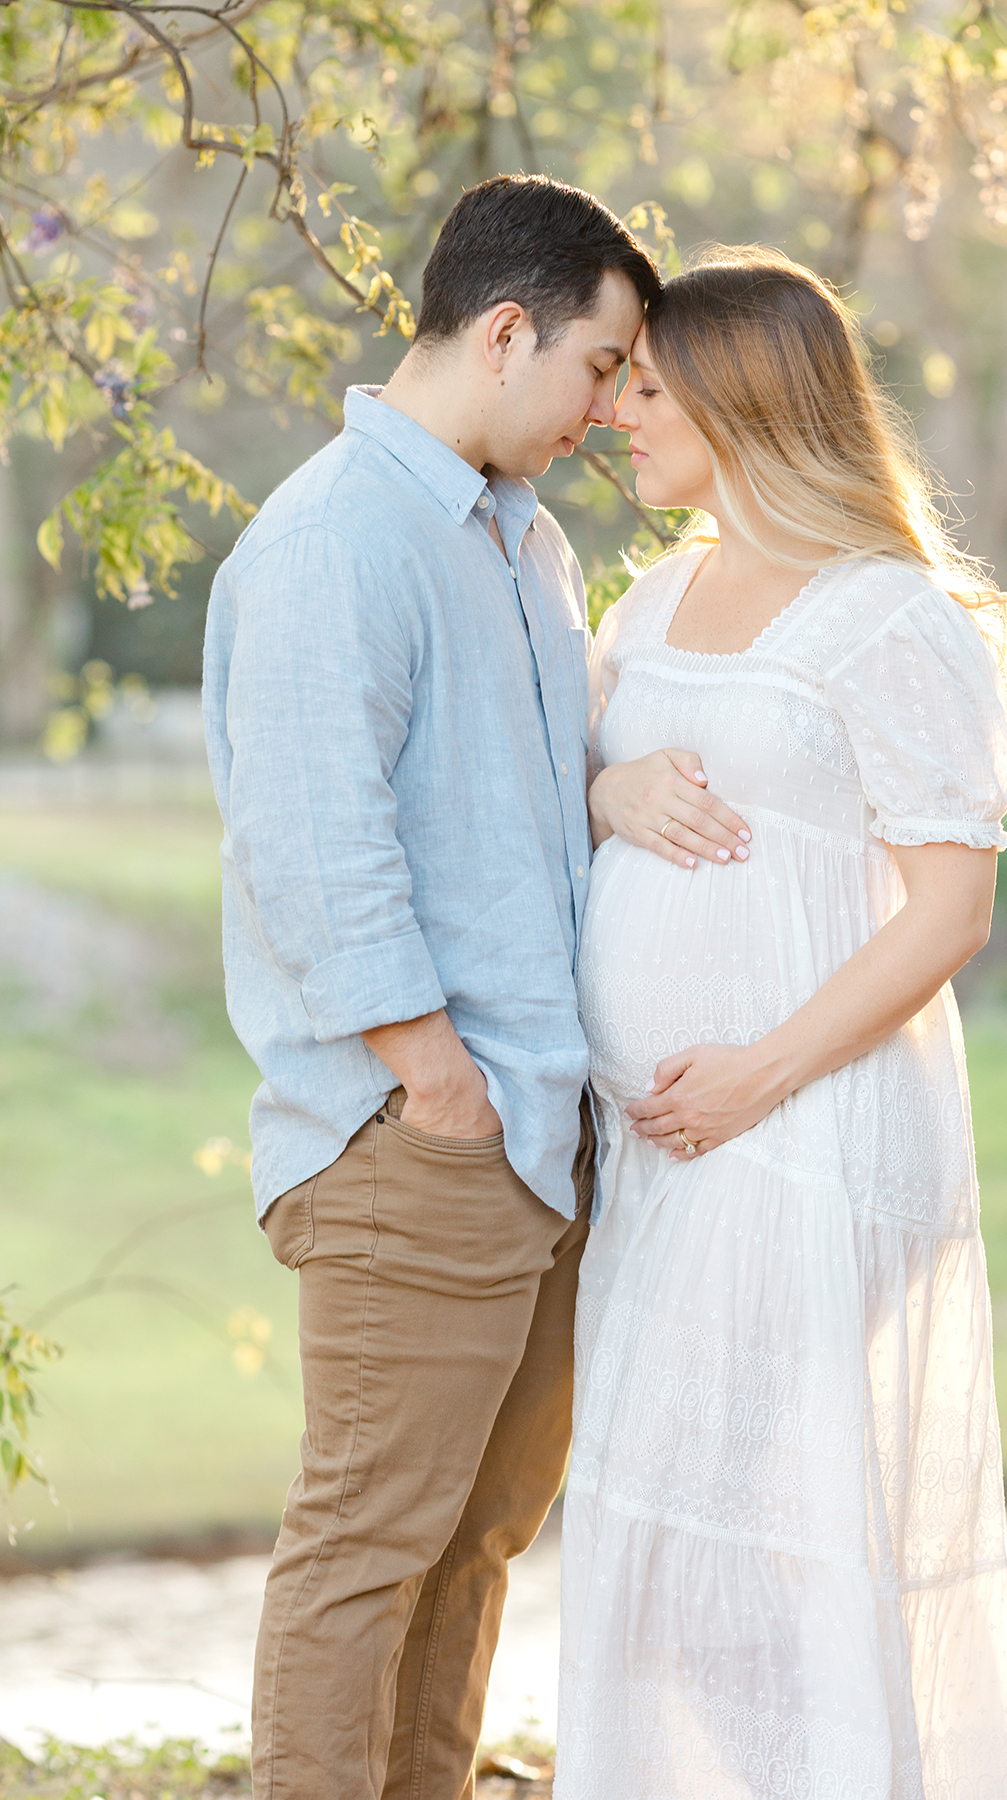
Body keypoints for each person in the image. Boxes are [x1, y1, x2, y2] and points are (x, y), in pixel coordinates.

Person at [201, 174, 660, 1800]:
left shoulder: (525, 549)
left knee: (471, 1552)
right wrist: (435, 1076)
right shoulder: (339, 536)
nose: (611, 413)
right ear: (509, 328)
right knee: (366, 1550)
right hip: (422, 1134)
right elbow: (314, 845)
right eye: (603, 369)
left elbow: (528, 805)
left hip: (540, 1131)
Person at [554, 246, 1007, 1799]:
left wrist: (758, 1073)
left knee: (766, 1534)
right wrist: (610, 787)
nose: (615, 411)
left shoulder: (887, 616)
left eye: (643, 385)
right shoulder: (657, 594)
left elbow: (948, 914)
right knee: (660, 1536)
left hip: (808, 1133)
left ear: (737, 395)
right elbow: (568, 782)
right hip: (671, 1150)